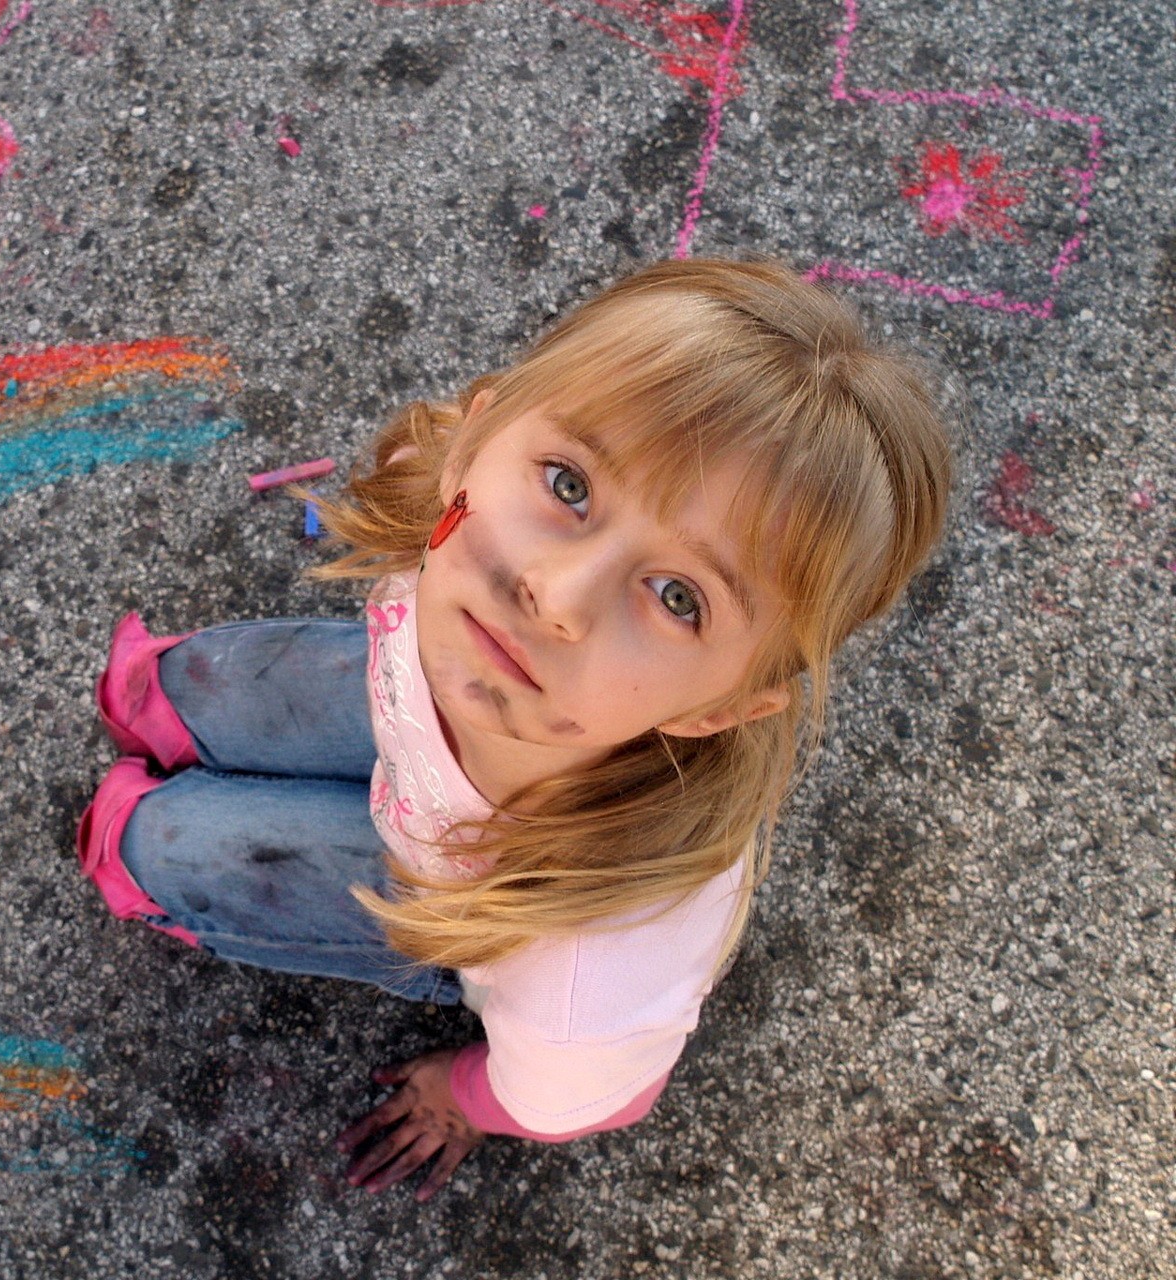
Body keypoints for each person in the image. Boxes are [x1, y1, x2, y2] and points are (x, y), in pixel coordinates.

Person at [74, 258, 952, 1201]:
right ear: (480, 437)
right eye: (571, 486)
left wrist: (463, 1095)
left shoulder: (592, 967)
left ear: (721, 709)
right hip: (411, 715)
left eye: (676, 597)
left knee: (160, 846)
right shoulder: (487, 602)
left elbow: (583, 1097)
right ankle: (163, 713)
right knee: (198, 682)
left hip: (475, 895)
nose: (555, 595)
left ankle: (147, 842)